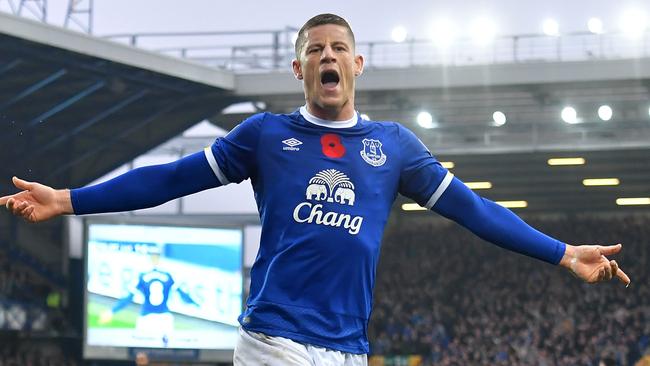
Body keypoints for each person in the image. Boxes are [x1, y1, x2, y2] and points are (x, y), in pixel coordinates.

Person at [1, 13, 631, 366]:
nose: (328, 56)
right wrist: (70, 199)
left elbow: (473, 209)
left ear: (356, 66)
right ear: (299, 68)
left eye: (339, 48)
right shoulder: (266, 136)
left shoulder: (396, 147)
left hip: (350, 350)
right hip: (274, 339)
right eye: (315, 50)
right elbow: (170, 179)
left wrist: (560, 251)